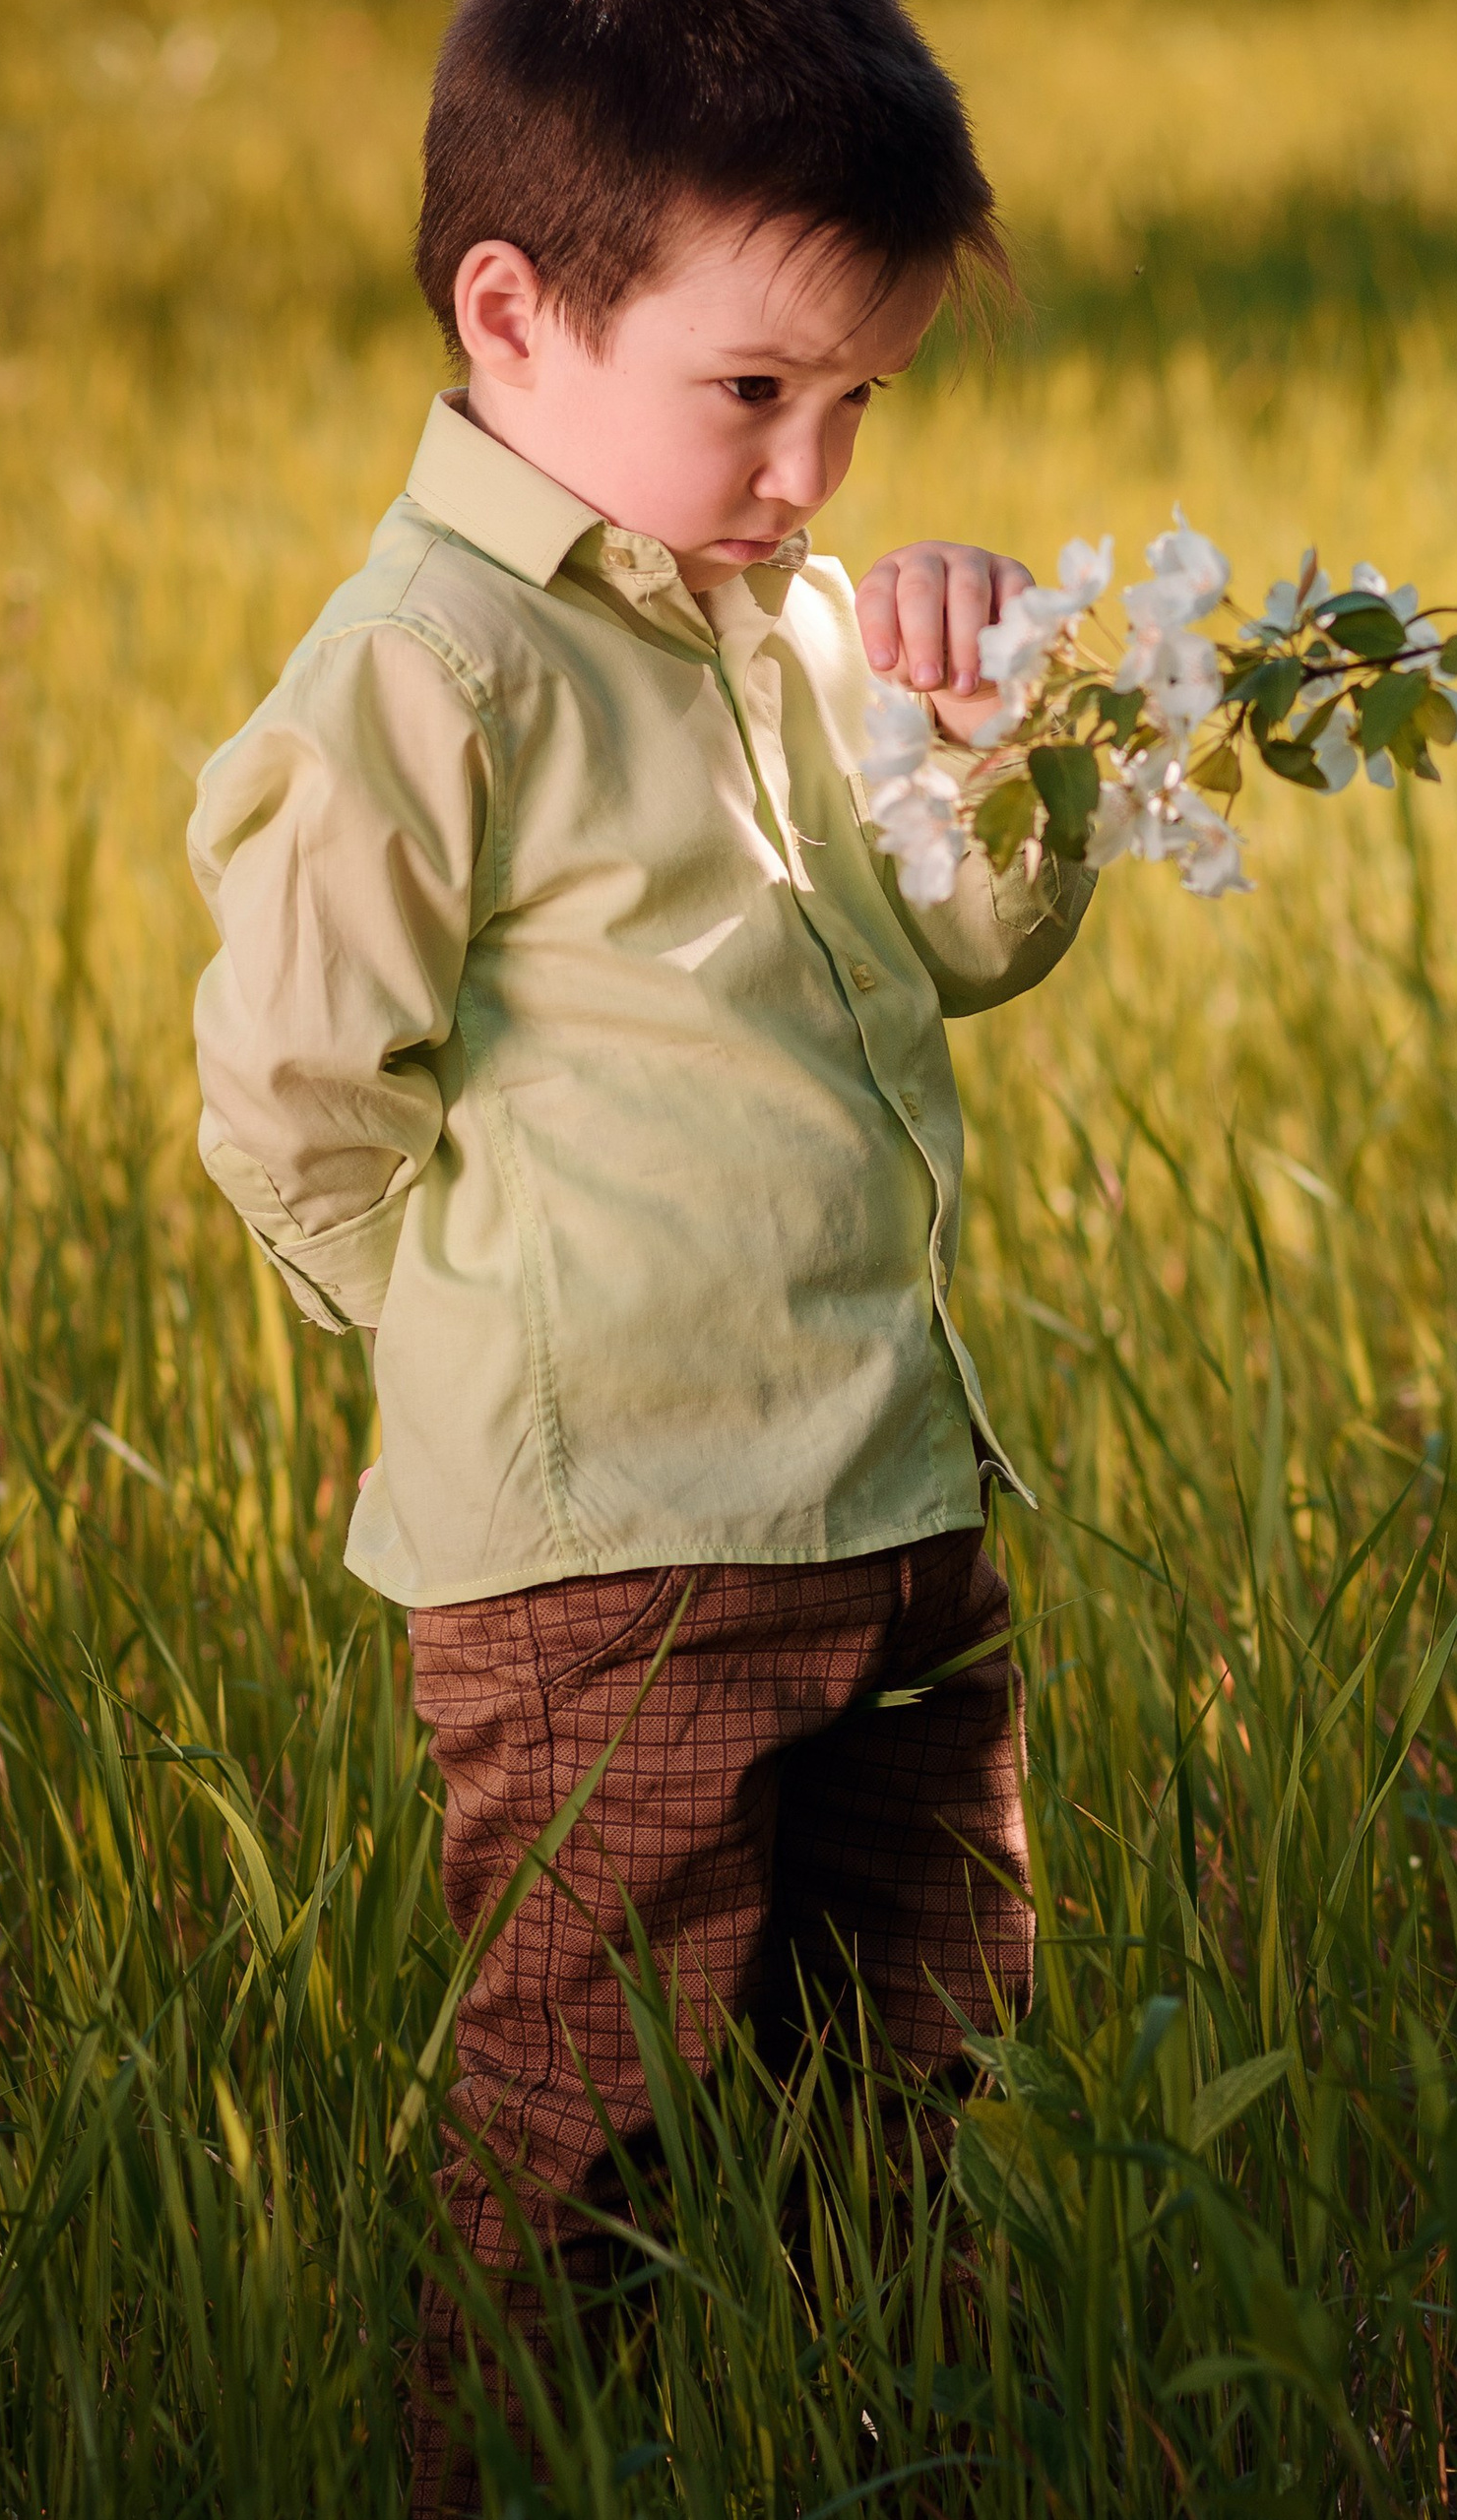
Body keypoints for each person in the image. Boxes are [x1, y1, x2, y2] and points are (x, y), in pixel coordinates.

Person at [184, 3, 1086, 2503]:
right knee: (594, 2120)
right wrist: (495, 1347)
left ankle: (874, 2448)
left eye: (860, 410)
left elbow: (967, 946)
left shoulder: (772, 617)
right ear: (512, 315)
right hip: (609, 1557)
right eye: (756, 389)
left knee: (918, 2063)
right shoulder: (427, 674)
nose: (805, 476)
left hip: (890, 1499)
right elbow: (291, 1096)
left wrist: (978, 727)